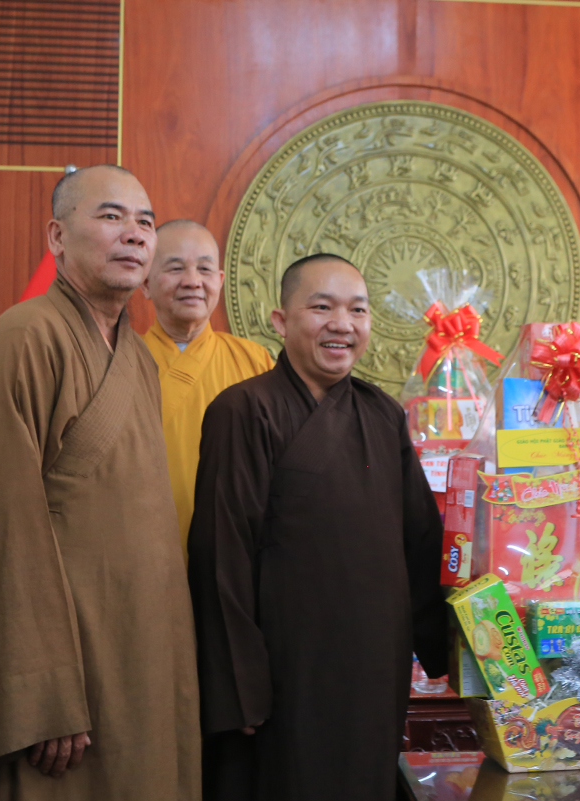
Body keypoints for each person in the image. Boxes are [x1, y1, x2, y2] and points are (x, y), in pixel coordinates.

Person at [0, 165, 201, 800]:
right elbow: (1, 527)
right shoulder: (23, 337)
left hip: (141, 639)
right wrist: (41, 690)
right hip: (71, 653)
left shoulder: (138, 356)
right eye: (111, 216)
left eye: (145, 223)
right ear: (57, 237)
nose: (135, 234)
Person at [188, 253, 447, 801]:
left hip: (374, 666)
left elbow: (421, 542)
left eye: (358, 310)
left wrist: (447, 647)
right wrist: (239, 686)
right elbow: (221, 556)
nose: (342, 324)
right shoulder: (243, 410)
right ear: (281, 322)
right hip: (286, 672)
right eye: (322, 307)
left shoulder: (383, 414)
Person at [140, 220, 273, 554]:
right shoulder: (119, 360)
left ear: (220, 281)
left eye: (204, 269)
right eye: (175, 268)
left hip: (234, 553)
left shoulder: (256, 362)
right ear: (145, 282)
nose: (192, 281)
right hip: (141, 549)